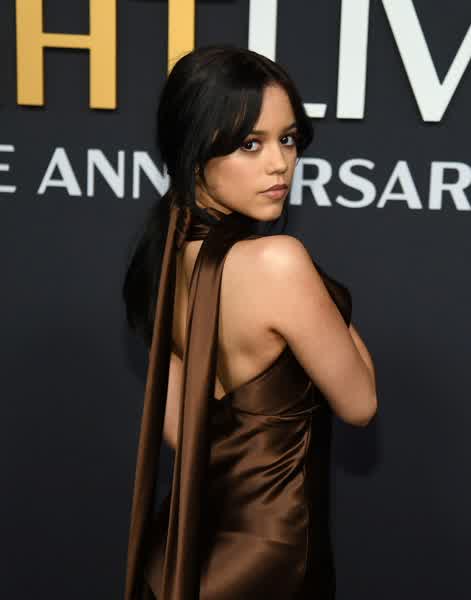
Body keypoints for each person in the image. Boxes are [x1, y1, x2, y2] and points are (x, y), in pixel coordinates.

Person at [122, 44, 377, 600]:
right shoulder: (278, 262)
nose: (279, 163)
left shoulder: (161, 258)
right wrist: (328, 299)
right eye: (249, 144)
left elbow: (178, 429)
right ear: (195, 151)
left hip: (178, 555)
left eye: (288, 138)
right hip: (271, 557)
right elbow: (360, 404)